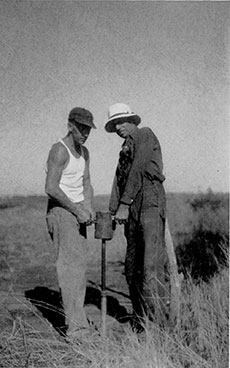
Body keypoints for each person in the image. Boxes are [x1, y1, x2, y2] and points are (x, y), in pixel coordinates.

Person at [105, 103, 170, 331]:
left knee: (151, 267)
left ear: (132, 120)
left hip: (149, 201)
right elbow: (118, 181)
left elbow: (139, 169)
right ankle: (140, 320)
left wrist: (124, 204)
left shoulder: (145, 134)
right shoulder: (124, 148)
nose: (118, 128)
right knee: (132, 267)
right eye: (114, 125)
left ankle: (157, 324)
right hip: (132, 207)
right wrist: (113, 212)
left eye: (121, 122)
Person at [44, 107, 95, 338]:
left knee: (79, 269)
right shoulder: (59, 150)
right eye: (81, 128)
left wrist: (89, 206)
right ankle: (76, 330)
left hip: (78, 212)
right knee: (70, 270)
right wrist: (76, 209)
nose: (85, 133)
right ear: (70, 125)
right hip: (62, 211)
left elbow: (86, 182)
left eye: (88, 129)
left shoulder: (84, 152)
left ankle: (79, 323)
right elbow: (51, 188)